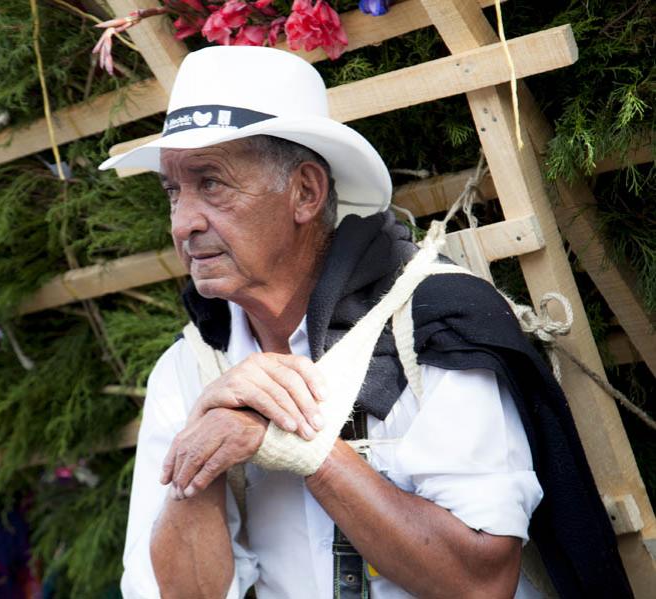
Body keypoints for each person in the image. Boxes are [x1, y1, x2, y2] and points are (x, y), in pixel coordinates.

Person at [100, 46, 629, 598]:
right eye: (172, 191)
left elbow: (482, 583)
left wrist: (299, 447)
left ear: (305, 191)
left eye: (211, 184)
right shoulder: (190, 368)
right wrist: (199, 455)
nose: (183, 222)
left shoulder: (431, 324)